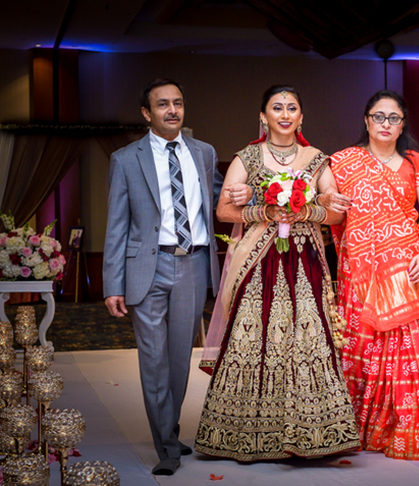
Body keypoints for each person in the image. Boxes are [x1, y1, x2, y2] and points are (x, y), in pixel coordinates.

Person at [194, 85, 360, 461]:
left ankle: (314, 433)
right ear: (263, 116)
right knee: (254, 341)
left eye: (292, 108)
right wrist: (264, 212)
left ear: (301, 117)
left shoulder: (317, 159)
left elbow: (335, 212)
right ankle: (243, 434)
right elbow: (223, 211)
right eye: (277, 107)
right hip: (258, 263)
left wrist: (307, 210)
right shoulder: (248, 156)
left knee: (307, 341)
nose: (284, 114)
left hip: (304, 263)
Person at [102, 79, 229, 475]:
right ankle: (167, 447)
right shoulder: (126, 159)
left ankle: (168, 430)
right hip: (147, 268)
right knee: (153, 359)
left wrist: (263, 196)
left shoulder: (204, 153)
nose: (172, 110)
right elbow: (116, 226)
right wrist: (113, 284)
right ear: (147, 113)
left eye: (177, 103)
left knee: (178, 360)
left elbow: (222, 200)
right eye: (162, 105)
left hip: (193, 264)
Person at [332, 90, 419, 460]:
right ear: (366, 120)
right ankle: (356, 425)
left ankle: (401, 426)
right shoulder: (343, 162)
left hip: (404, 269)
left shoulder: (414, 162)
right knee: (360, 345)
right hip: (359, 269)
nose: (385, 124)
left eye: (393, 118)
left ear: (402, 124)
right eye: (378, 116)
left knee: (403, 347)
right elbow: (329, 210)